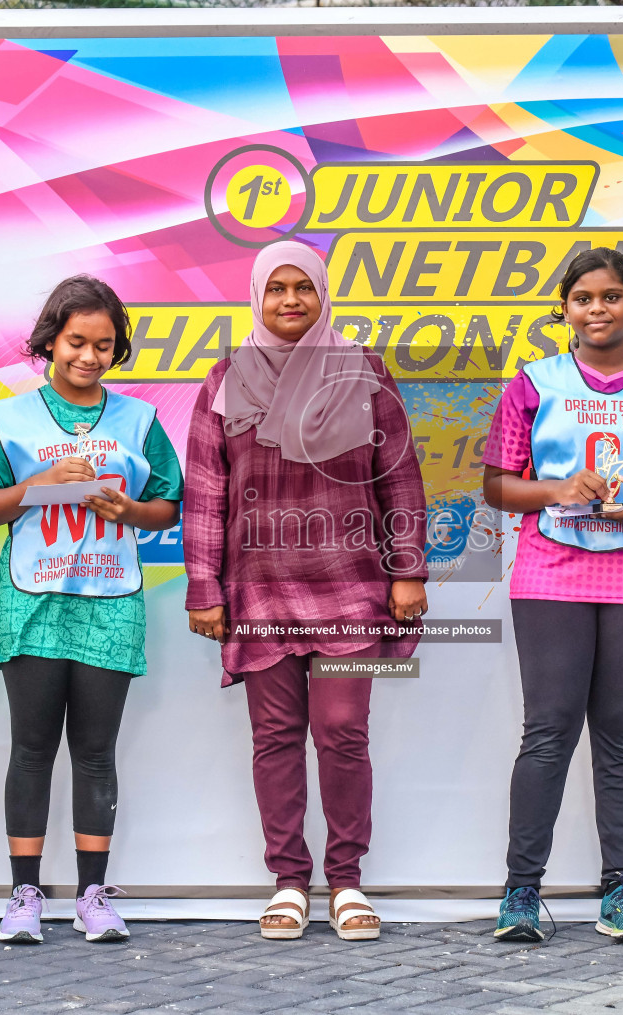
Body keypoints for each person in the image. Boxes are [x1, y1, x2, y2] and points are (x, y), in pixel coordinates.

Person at [182, 240, 427, 941]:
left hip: (351, 585)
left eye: (304, 288)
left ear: (324, 295)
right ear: (256, 298)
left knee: (343, 732)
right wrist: (205, 587)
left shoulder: (363, 372)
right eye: (276, 289)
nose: (291, 300)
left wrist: (407, 570)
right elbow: (206, 492)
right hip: (259, 589)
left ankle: (346, 881)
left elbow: (399, 476)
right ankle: (289, 881)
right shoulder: (225, 380)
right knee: (276, 736)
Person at [482, 247, 623, 944]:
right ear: (565, 309)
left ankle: (621, 894)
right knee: (547, 732)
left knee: (622, 737)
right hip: (551, 574)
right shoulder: (532, 383)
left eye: (612, 296)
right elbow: (496, 485)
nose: (598, 309)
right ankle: (521, 893)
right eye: (583, 297)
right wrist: (554, 489)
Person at [0, 275, 183, 945]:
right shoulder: (10, 418)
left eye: (104, 344)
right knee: (31, 750)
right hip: (33, 600)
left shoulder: (138, 420)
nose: (89, 356)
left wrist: (130, 511)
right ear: (51, 342)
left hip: (111, 599)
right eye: (76, 342)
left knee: (95, 753)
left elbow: (169, 504)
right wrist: (38, 487)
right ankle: (23, 894)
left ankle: (93, 894)